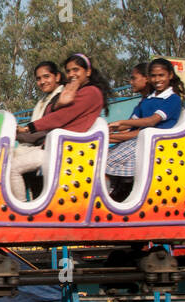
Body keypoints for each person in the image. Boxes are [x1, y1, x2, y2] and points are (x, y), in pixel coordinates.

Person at [8, 53, 110, 200]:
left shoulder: (90, 92)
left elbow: (59, 118)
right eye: (68, 71)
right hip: (57, 146)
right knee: (9, 159)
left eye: (76, 70)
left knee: (13, 168)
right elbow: (53, 113)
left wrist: (27, 128)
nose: (71, 74)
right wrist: (59, 103)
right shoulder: (77, 92)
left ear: (87, 71)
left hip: (64, 149)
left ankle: (22, 208)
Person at [104, 58, 185, 194]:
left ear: (170, 76)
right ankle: (118, 191)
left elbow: (151, 122)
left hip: (154, 144)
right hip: (140, 140)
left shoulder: (172, 99)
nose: (157, 79)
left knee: (108, 160)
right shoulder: (148, 99)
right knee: (104, 155)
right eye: (153, 76)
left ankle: (111, 194)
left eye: (161, 75)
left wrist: (122, 123)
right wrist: (108, 128)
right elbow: (133, 121)